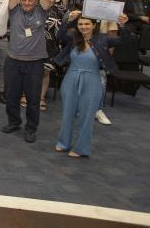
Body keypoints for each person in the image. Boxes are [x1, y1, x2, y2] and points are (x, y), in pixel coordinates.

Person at [54, 12, 130, 157]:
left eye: (87, 24)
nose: (83, 27)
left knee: (87, 115)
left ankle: (81, 148)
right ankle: (63, 143)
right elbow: (60, 35)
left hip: (92, 80)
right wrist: (68, 20)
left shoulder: (103, 38)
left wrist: (123, 25)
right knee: (67, 113)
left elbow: (125, 41)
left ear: (94, 25)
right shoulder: (73, 38)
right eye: (81, 24)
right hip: (70, 78)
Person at [2, 0, 54, 143]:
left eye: (30, 0)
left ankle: (31, 128)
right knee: (11, 96)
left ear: (35, 1)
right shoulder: (14, 11)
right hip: (13, 61)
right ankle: (14, 122)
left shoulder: (42, 11)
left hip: (35, 63)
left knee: (33, 99)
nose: (26, 2)